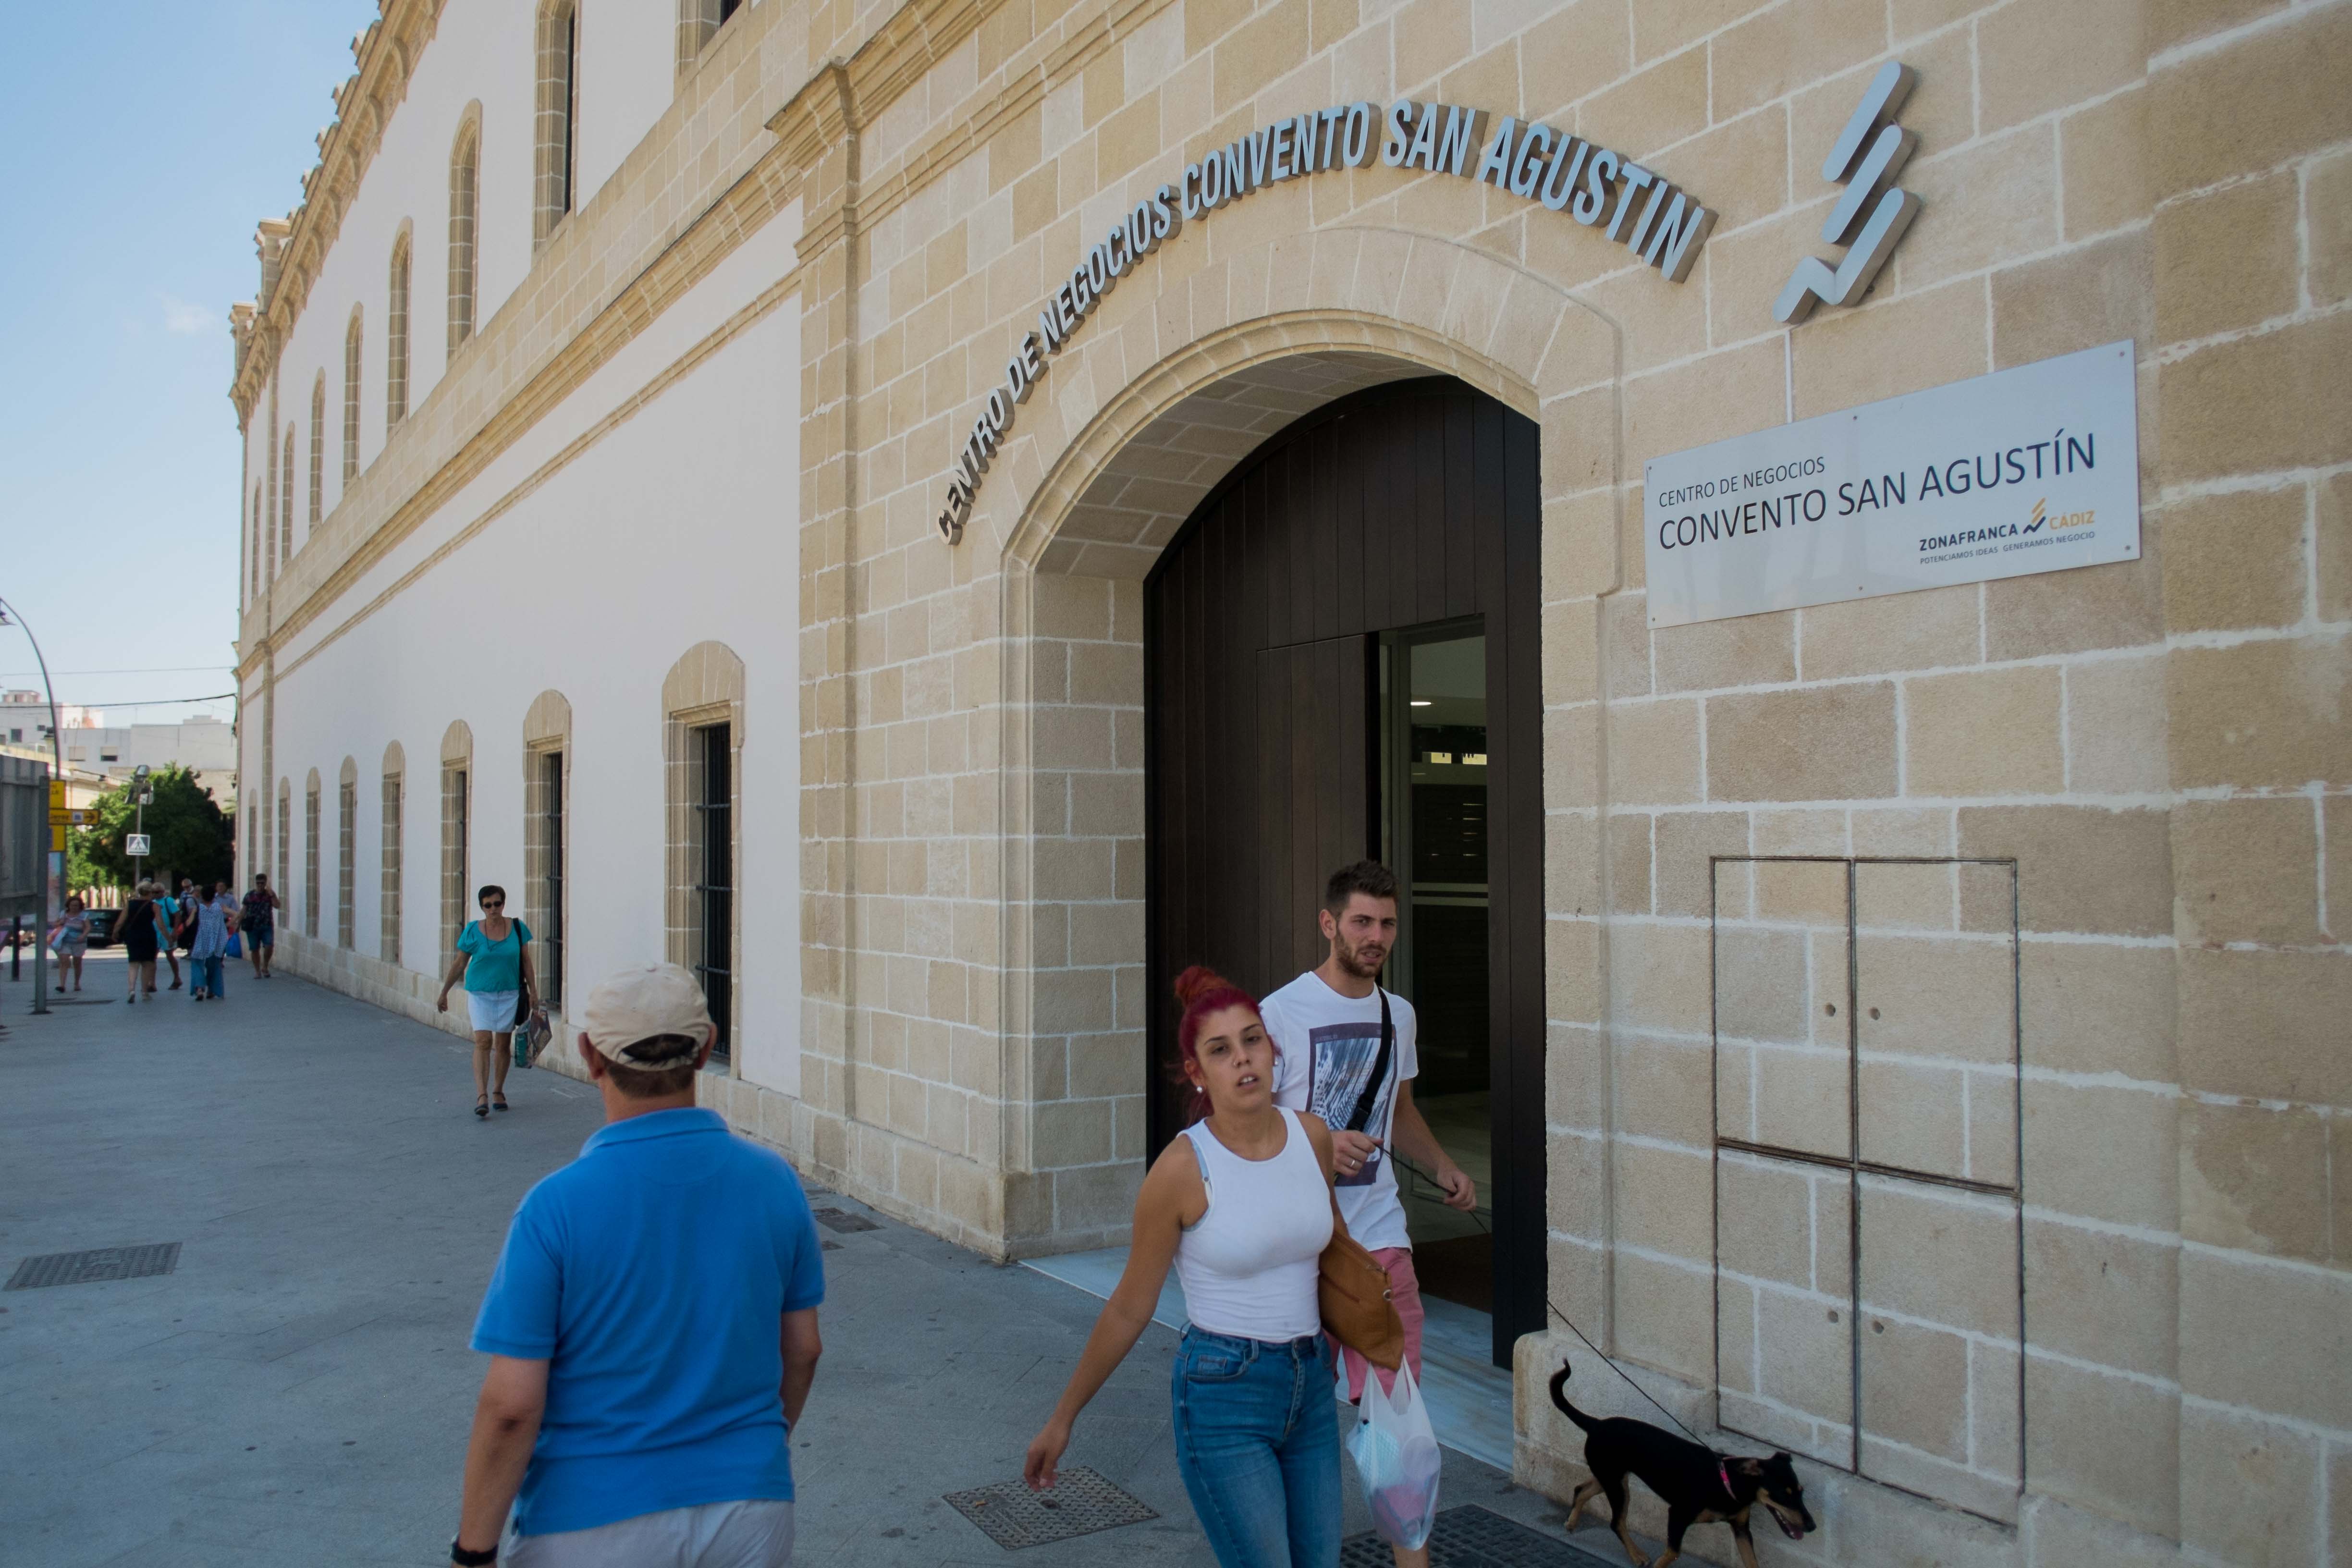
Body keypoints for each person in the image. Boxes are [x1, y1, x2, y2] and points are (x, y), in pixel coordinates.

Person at [448, 963, 824, 1568]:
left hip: (591, 1516)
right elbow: (803, 1348)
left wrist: (474, 1551)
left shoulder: (556, 1207)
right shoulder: (775, 1182)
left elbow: (513, 1406)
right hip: (750, 1507)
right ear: (705, 1048)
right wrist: (751, 1451)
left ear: (590, 1056)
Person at [1026, 967, 1348, 1568]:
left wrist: (1381, 1351)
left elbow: (1333, 1258)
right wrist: (1062, 1418)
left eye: (1253, 1040)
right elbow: (1129, 1304)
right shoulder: (1181, 1168)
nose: (1244, 1060)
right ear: (1198, 1073)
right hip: (1224, 1393)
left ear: (1273, 1049)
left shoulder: (1313, 1138)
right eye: (1221, 1050)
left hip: (1312, 1387)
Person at [1263, 861, 1477, 1568]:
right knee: (1297, 1421)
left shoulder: (1399, 1014)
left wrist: (1443, 1163)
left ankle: (1409, 1561)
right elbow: (1249, 1129)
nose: (1375, 936)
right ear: (1330, 924)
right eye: (1362, 921)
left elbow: (1402, 1111)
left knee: (1399, 1421)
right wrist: (1317, 1142)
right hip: (1299, 1245)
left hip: (1381, 1242)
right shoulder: (1280, 1013)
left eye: (1386, 923)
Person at [439, 884, 536, 1118]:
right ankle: (481, 1095)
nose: (493, 909)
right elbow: (460, 963)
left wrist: (534, 992)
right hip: (480, 993)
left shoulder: (517, 929)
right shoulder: (473, 931)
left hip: (510, 993)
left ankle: (498, 1091)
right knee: (483, 1041)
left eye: (497, 904)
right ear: (482, 907)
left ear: (503, 904)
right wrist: (444, 992)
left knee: (503, 1045)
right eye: (488, 905)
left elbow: (526, 962)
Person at [118, 882, 170, 1004]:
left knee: (133, 964)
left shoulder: (130, 904)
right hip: (148, 936)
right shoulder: (155, 906)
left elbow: (121, 921)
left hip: (133, 936)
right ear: (151, 893)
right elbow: (161, 925)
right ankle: (145, 992)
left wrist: (115, 932)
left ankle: (131, 990)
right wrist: (168, 938)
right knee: (147, 964)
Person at [187, 882, 233, 1001]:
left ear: (202, 896)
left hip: (200, 941)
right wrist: (227, 925)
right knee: (214, 966)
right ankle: (212, 990)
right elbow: (236, 914)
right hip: (216, 942)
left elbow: (188, 923)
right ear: (214, 896)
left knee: (197, 964)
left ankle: (199, 989)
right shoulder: (220, 907)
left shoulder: (197, 908)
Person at [241, 873, 281, 978]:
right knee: (255, 949)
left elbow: (277, 906)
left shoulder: (269, 895)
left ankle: (265, 966)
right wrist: (238, 924)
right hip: (252, 926)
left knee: (269, 946)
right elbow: (244, 911)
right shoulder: (249, 895)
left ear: (265, 883)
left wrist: (273, 895)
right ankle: (257, 971)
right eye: (258, 883)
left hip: (266, 925)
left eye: (262, 883)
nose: (260, 885)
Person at [49, 894, 88, 992]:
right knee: (64, 960)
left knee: (77, 962)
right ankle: (62, 985)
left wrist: (83, 935)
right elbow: (55, 924)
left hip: (79, 942)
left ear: (80, 906)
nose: (74, 907)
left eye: (76, 905)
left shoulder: (83, 915)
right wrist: (61, 922)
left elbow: (88, 927)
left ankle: (77, 983)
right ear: (68, 906)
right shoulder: (64, 914)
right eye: (72, 905)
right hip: (65, 941)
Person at [157, 882, 184, 990]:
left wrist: (175, 931)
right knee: (150, 959)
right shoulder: (152, 902)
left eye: (157, 892)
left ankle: (177, 978)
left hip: (168, 930)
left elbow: (177, 916)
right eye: (153, 892)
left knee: (170, 955)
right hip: (155, 933)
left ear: (163, 892)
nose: (154, 894)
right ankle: (151, 983)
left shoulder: (169, 901)